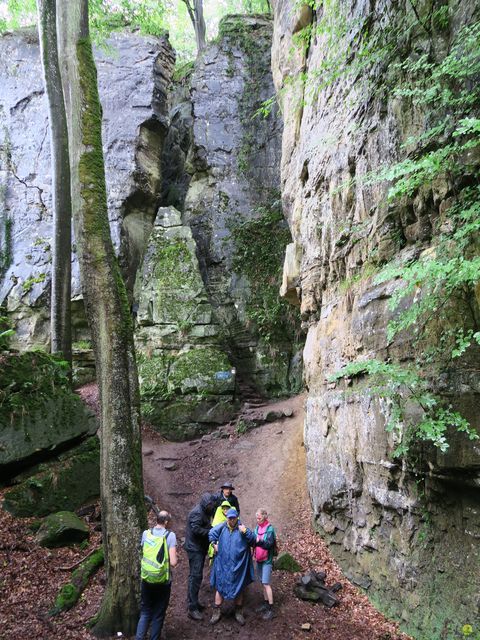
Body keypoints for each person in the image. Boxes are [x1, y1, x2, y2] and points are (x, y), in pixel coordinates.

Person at [208, 507, 256, 626]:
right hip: (223, 565)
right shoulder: (222, 527)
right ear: (227, 518)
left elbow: (253, 541)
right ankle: (216, 611)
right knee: (220, 587)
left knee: (238, 587)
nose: (231, 520)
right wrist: (214, 544)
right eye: (229, 518)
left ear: (237, 518)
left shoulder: (242, 529)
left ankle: (238, 612)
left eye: (234, 518)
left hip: (238, 565)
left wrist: (246, 532)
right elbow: (211, 533)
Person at [135, 510, 177, 640]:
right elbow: (174, 562)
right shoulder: (170, 536)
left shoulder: (146, 534)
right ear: (165, 522)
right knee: (158, 614)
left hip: (146, 579)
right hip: (162, 581)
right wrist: (176, 556)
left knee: (145, 612)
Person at [184, 492, 216, 621]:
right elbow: (196, 529)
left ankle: (194, 602)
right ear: (204, 504)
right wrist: (211, 531)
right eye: (210, 505)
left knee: (196, 576)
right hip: (194, 549)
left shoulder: (205, 510)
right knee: (195, 576)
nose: (211, 507)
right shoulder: (197, 513)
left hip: (199, 548)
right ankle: (192, 608)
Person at [253, 508, 276, 620]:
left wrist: (259, 541)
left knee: (266, 583)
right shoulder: (257, 528)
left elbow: (270, 544)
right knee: (262, 582)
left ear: (264, 517)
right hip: (259, 559)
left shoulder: (270, 529)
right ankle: (266, 603)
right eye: (256, 517)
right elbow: (253, 540)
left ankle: (271, 609)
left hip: (267, 560)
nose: (257, 519)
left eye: (259, 517)